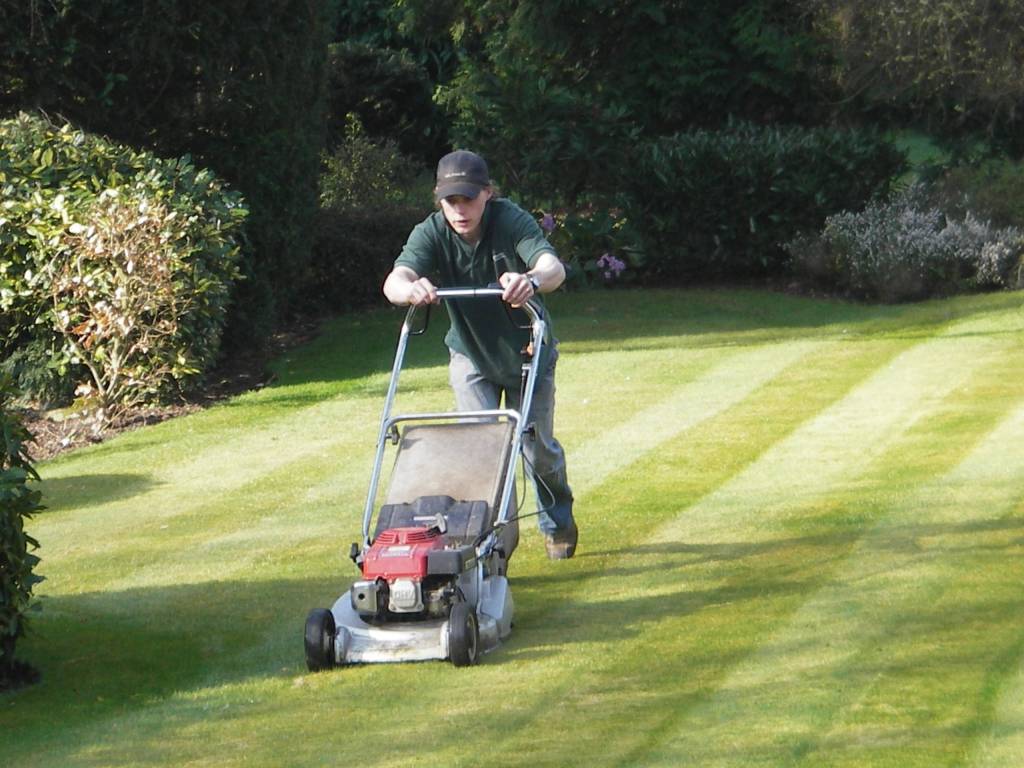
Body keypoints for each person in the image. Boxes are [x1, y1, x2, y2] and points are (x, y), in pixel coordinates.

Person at [382, 149, 578, 560]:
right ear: (439, 201)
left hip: (529, 352)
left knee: (536, 450)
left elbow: (552, 267)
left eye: (468, 199)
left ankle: (557, 520)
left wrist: (531, 279)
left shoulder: (510, 221)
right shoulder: (431, 232)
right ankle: (493, 547)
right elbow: (395, 281)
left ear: (487, 194)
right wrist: (411, 290)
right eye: (451, 201)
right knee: (484, 452)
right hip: (471, 356)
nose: (460, 209)